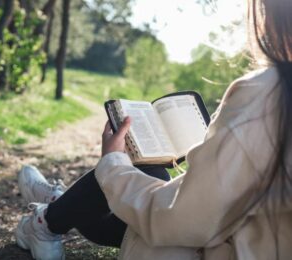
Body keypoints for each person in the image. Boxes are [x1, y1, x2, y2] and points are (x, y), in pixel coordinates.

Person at [15, 0, 292, 259]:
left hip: (203, 244)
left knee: (138, 173)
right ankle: (58, 204)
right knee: (152, 171)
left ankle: (48, 217)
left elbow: (184, 218)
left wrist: (112, 162)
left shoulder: (267, 94)